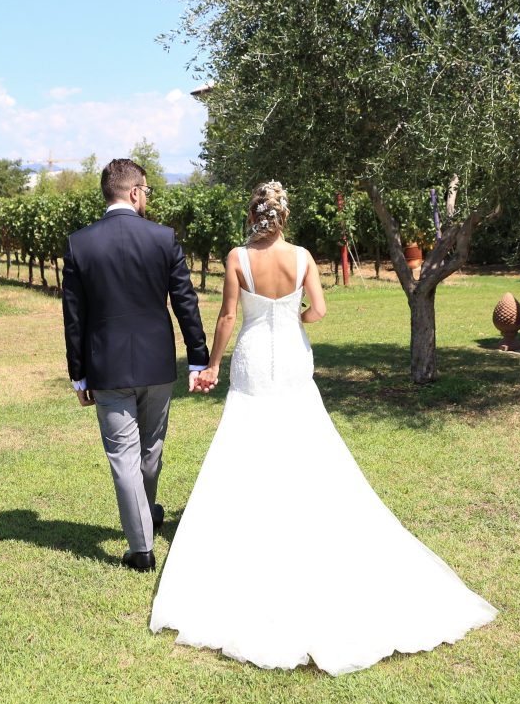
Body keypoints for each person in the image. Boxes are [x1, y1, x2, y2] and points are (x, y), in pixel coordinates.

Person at [150, 180, 497, 675]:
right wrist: (295, 318)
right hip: (291, 357)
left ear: (253, 216)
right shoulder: (304, 256)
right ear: (283, 217)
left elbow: (227, 316)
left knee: (248, 440)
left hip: (251, 358)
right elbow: (320, 309)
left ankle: (253, 526)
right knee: (303, 438)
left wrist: (212, 365)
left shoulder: (236, 257)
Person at [62, 158, 209, 573]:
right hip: (157, 362)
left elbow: (73, 316)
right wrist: (197, 357)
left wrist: (79, 375)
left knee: (123, 456)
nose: (147, 197)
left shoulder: (80, 243)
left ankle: (141, 545)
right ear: (134, 191)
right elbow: (185, 302)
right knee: (151, 447)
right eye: (146, 190)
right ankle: (144, 526)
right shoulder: (163, 238)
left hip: (106, 367)